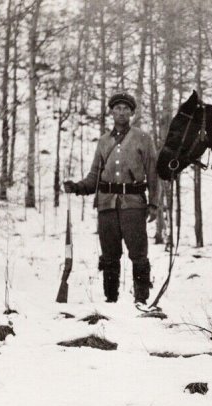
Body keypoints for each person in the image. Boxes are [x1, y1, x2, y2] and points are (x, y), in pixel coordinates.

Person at [63, 92, 158, 305]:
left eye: (126, 109)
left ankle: (141, 300)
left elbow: (152, 173)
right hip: (106, 205)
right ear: (112, 112)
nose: (121, 112)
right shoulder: (104, 141)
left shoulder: (143, 139)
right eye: (117, 109)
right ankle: (110, 300)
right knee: (109, 255)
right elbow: (94, 176)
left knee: (138, 254)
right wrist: (77, 187)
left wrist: (153, 203)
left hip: (133, 204)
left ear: (132, 113)